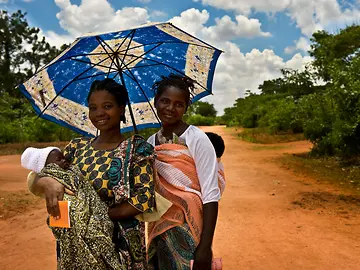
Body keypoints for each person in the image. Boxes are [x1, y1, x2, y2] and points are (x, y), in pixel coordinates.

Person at [27, 78, 156, 270]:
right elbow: (43, 176)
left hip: (120, 244)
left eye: (107, 106)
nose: (99, 113)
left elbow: (144, 199)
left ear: (121, 109)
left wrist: (95, 217)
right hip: (75, 241)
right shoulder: (76, 148)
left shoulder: (138, 150)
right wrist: (46, 182)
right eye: (93, 107)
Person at [147, 74, 221, 270]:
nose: (170, 108)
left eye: (178, 104)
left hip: (189, 228)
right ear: (156, 102)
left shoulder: (196, 139)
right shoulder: (149, 143)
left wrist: (205, 248)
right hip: (160, 228)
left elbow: (211, 195)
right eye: (165, 101)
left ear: (186, 108)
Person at [21, 147, 123, 270]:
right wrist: (46, 181)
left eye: (64, 157)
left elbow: (83, 188)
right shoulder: (76, 146)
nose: (65, 161)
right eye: (59, 159)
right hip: (70, 219)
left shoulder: (71, 169)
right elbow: (35, 179)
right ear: (47, 166)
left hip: (100, 219)